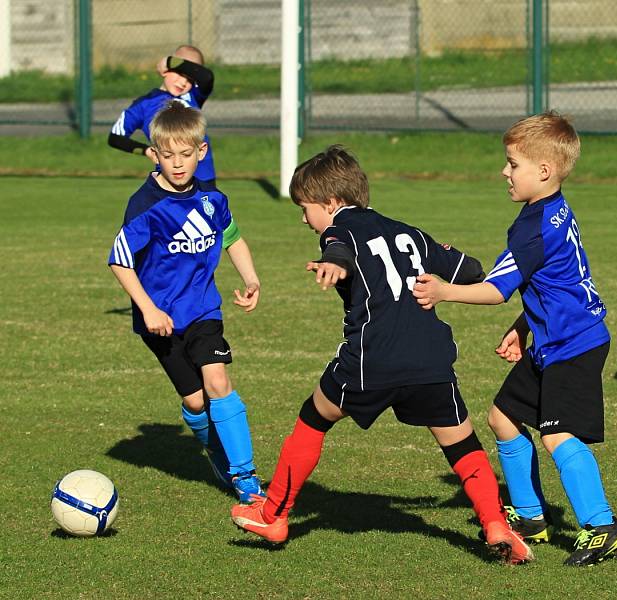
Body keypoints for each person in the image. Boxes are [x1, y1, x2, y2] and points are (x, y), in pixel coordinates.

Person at [230, 145, 533, 565]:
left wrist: (333, 262)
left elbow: (337, 244)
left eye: (306, 207)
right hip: (431, 359)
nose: (304, 218)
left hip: (371, 360)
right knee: (462, 444)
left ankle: (273, 514)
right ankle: (495, 524)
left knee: (313, 418)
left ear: (333, 203)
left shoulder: (338, 229)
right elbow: (472, 269)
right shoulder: (409, 231)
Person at [413, 112, 617, 567]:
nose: (505, 172)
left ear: (544, 171)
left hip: (574, 344)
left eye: (513, 164)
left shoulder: (531, 227)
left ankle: (603, 525)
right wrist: (524, 325)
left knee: (558, 435)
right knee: (503, 417)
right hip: (556, 337)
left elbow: (495, 289)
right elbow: (554, 281)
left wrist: (443, 290)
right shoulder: (553, 210)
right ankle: (531, 517)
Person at [107, 101, 263, 502]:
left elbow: (233, 239)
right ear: (155, 154)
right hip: (158, 318)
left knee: (218, 381)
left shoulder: (213, 201)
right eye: (169, 156)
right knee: (195, 400)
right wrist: (148, 308)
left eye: (186, 154)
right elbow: (119, 261)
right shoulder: (145, 206)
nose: (178, 164)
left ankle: (246, 479)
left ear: (201, 151)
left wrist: (251, 278)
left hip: (202, 310)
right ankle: (214, 450)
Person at [108, 44, 217, 185]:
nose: (183, 82)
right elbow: (115, 138)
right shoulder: (144, 104)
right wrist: (146, 150)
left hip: (203, 179)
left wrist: (170, 62)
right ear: (165, 71)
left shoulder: (194, 96)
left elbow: (207, 77)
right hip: (168, 181)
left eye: (190, 79)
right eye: (179, 73)